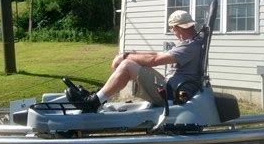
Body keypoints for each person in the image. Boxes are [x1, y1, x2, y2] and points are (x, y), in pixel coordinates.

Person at [72, 10, 204, 113]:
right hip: (171, 88)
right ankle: (99, 97)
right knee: (130, 62)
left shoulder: (190, 47)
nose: (173, 32)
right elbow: (157, 54)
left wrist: (124, 58)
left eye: (172, 29)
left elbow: (155, 60)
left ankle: (94, 102)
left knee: (127, 65)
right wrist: (128, 54)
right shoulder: (191, 43)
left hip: (172, 93)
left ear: (178, 28)